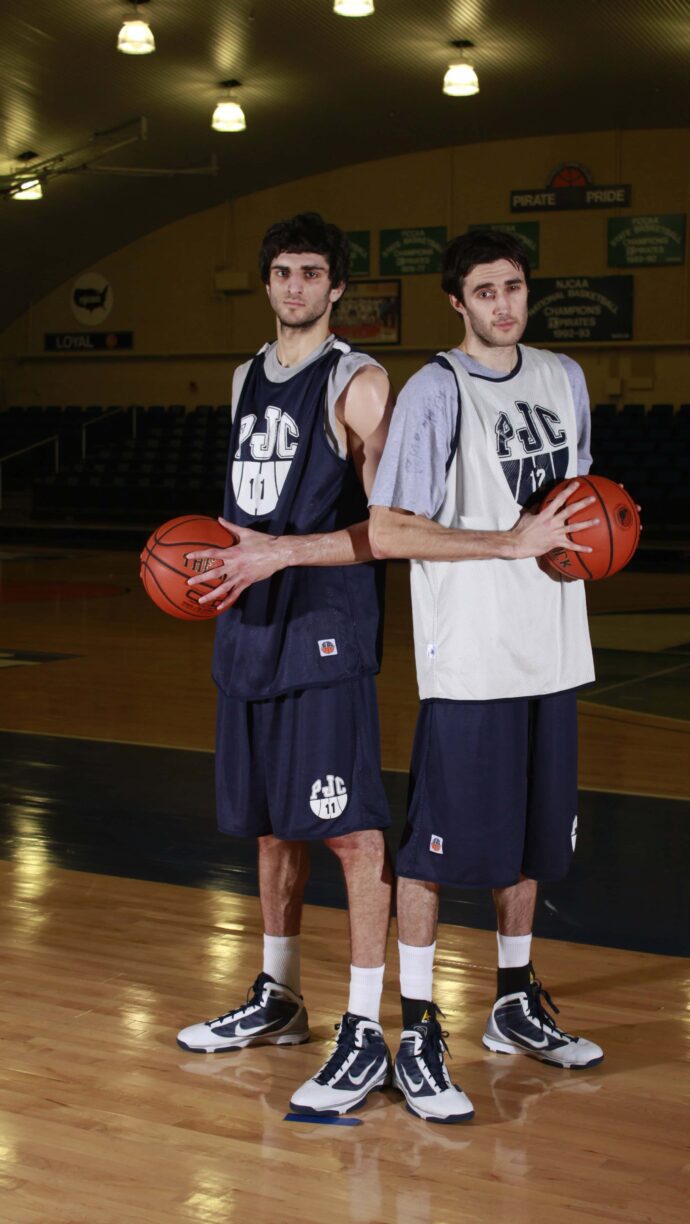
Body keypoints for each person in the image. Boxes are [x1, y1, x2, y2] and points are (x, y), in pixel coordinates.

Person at [368, 229, 605, 1123]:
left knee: (533, 846)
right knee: (434, 850)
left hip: (553, 649)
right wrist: (507, 541)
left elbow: (576, 508)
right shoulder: (435, 390)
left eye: (515, 287)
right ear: (455, 303)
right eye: (485, 291)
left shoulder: (563, 377)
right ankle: (421, 1029)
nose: (504, 304)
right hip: (470, 662)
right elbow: (390, 530)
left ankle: (512, 1002)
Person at [176, 212, 395, 1118]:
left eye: (312, 273)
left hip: (326, 628)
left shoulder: (361, 381)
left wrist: (280, 555)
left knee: (350, 832)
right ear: (265, 284)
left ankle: (365, 1031)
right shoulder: (242, 379)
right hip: (250, 624)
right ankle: (280, 996)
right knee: (272, 824)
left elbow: (389, 528)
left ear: (338, 287)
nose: (295, 286)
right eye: (281, 272)